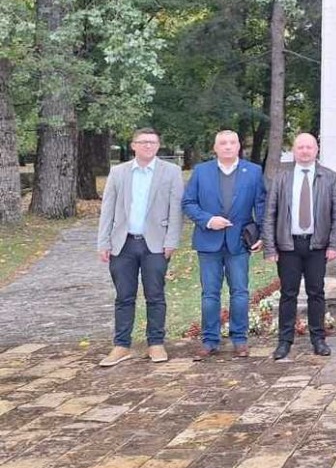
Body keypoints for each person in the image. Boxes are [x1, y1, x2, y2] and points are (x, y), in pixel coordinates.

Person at [96, 128, 184, 367]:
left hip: (155, 244)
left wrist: (171, 241)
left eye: (153, 142)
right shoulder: (119, 172)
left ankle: (156, 343)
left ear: (158, 146)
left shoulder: (171, 172)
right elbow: (108, 209)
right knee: (124, 296)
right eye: (143, 142)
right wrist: (103, 242)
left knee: (155, 295)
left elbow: (176, 211)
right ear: (133, 145)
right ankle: (121, 345)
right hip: (123, 244)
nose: (148, 146)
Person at [182, 130, 266, 360]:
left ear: (239, 146)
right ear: (215, 147)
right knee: (210, 294)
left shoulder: (254, 172)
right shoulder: (201, 172)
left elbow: (262, 205)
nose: (228, 146)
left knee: (240, 292)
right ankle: (210, 340)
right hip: (209, 242)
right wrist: (208, 220)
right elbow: (188, 202)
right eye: (223, 143)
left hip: (239, 243)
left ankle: (240, 339)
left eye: (232, 142)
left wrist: (262, 234)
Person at [262, 133, 336, 361]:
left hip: (317, 246)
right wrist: (270, 247)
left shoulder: (329, 177)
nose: (305, 151)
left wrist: (333, 244)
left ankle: (318, 339)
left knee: (316, 292)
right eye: (300, 147)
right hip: (288, 245)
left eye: (309, 147)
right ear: (294, 150)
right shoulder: (282, 177)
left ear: (317, 150)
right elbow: (270, 213)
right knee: (288, 293)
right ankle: (284, 341)